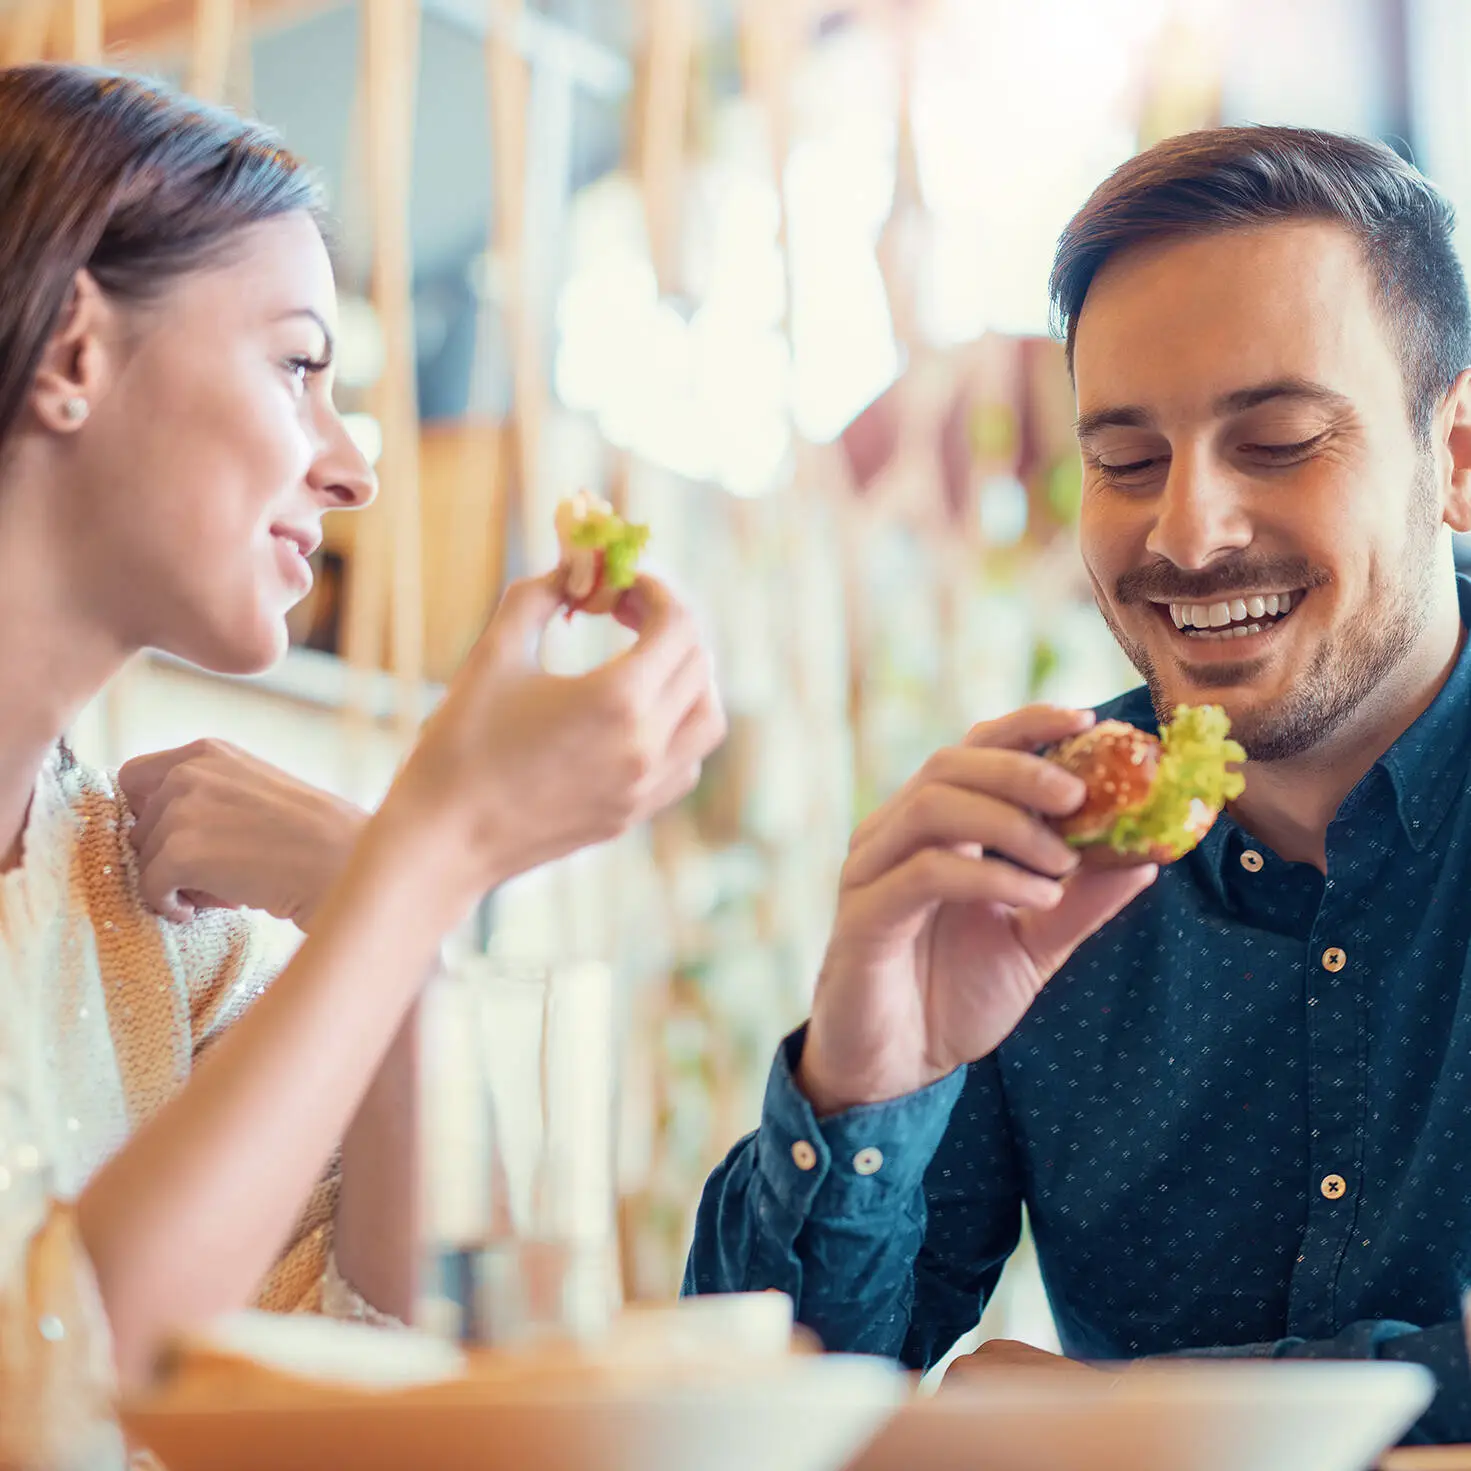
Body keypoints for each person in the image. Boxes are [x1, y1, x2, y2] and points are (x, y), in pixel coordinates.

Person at [685, 123, 1471, 1443]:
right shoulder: (1032, 855)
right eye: (1123, 461)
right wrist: (869, 1078)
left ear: (1451, 458)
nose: (1185, 531)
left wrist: (1124, 1419)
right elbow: (765, 1417)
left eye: (1274, 441)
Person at [0, 63, 724, 1470]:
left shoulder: (140, 907)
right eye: (297, 365)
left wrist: (397, 937)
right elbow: (50, 1395)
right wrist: (427, 853)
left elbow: (368, 1398)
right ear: (75, 353)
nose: (354, 469)